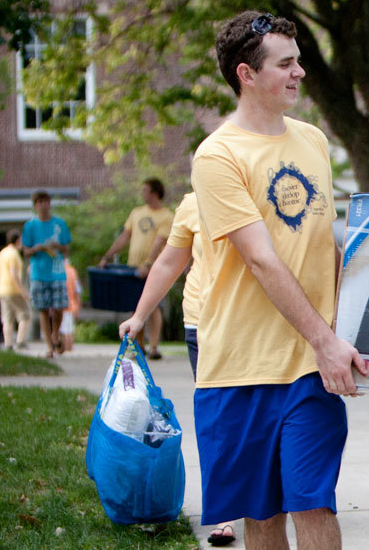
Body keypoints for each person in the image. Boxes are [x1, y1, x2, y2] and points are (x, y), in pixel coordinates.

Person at [187, 11, 369, 550]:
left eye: (299, 61)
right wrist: (325, 339)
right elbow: (262, 260)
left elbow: (322, 245)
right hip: (238, 368)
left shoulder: (312, 140)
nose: (300, 73)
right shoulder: (218, 155)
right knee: (261, 517)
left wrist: (351, 328)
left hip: (309, 366)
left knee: (313, 501)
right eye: (286, 63)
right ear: (246, 74)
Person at [118, 192, 236, 547]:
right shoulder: (192, 204)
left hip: (252, 325)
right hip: (202, 324)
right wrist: (139, 316)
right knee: (216, 417)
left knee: (252, 418)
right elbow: (169, 263)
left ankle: (262, 499)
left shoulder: (259, 190)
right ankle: (225, 511)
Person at [99, 177, 173, 360]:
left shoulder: (166, 216)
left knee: (154, 306)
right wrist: (107, 256)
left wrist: (148, 263)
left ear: (155, 193)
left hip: (155, 268)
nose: (142, 193)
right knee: (136, 306)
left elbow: (158, 242)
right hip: (134, 268)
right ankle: (139, 347)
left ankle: (154, 347)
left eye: (145, 190)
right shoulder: (136, 213)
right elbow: (124, 237)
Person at [21, 190, 71, 359]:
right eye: (40, 202)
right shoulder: (30, 226)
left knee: (59, 307)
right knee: (43, 310)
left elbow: (67, 249)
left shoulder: (60, 224)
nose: (44, 205)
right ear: (35, 205)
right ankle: (49, 347)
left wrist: (58, 246)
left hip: (57, 271)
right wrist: (36, 248)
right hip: (38, 273)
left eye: (46, 201)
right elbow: (25, 251)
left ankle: (55, 334)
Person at [0, 229, 31, 351]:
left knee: (7, 318)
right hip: (13, 290)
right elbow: (14, 275)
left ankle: (8, 344)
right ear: (17, 240)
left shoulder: (3, 253)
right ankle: (20, 341)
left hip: (2, 289)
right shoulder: (14, 254)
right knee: (25, 315)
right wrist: (23, 291)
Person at [59, 258, 81, 354]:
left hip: (62, 305)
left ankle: (66, 350)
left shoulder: (60, 272)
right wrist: (78, 306)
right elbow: (78, 291)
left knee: (63, 330)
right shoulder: (73, 271)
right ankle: (70, 349)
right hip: (72, 305)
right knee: (70, 330)